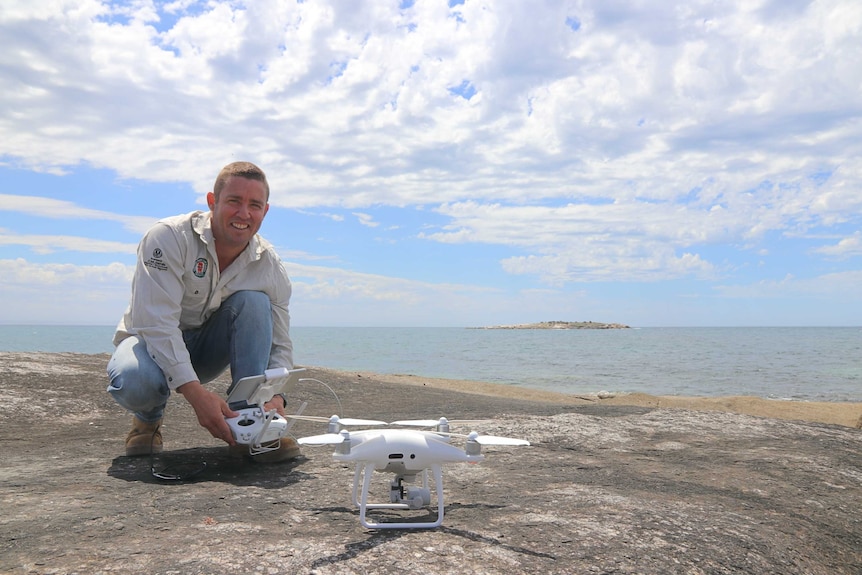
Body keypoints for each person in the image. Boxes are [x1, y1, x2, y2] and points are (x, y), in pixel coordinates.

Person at [106, 161, 299, 463]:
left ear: (265, 211)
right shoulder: (168, 237)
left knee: (254, 302)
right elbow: (154, 324)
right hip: (149, 346)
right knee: (135, 380)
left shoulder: (269, 265)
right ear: (212, 201)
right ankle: (148, 419)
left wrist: (275, 396)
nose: (244, 214)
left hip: (206, 352)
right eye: (234, 201)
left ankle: (248, 421)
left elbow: (281, 342)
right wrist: (197, 396)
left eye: (254, 205)